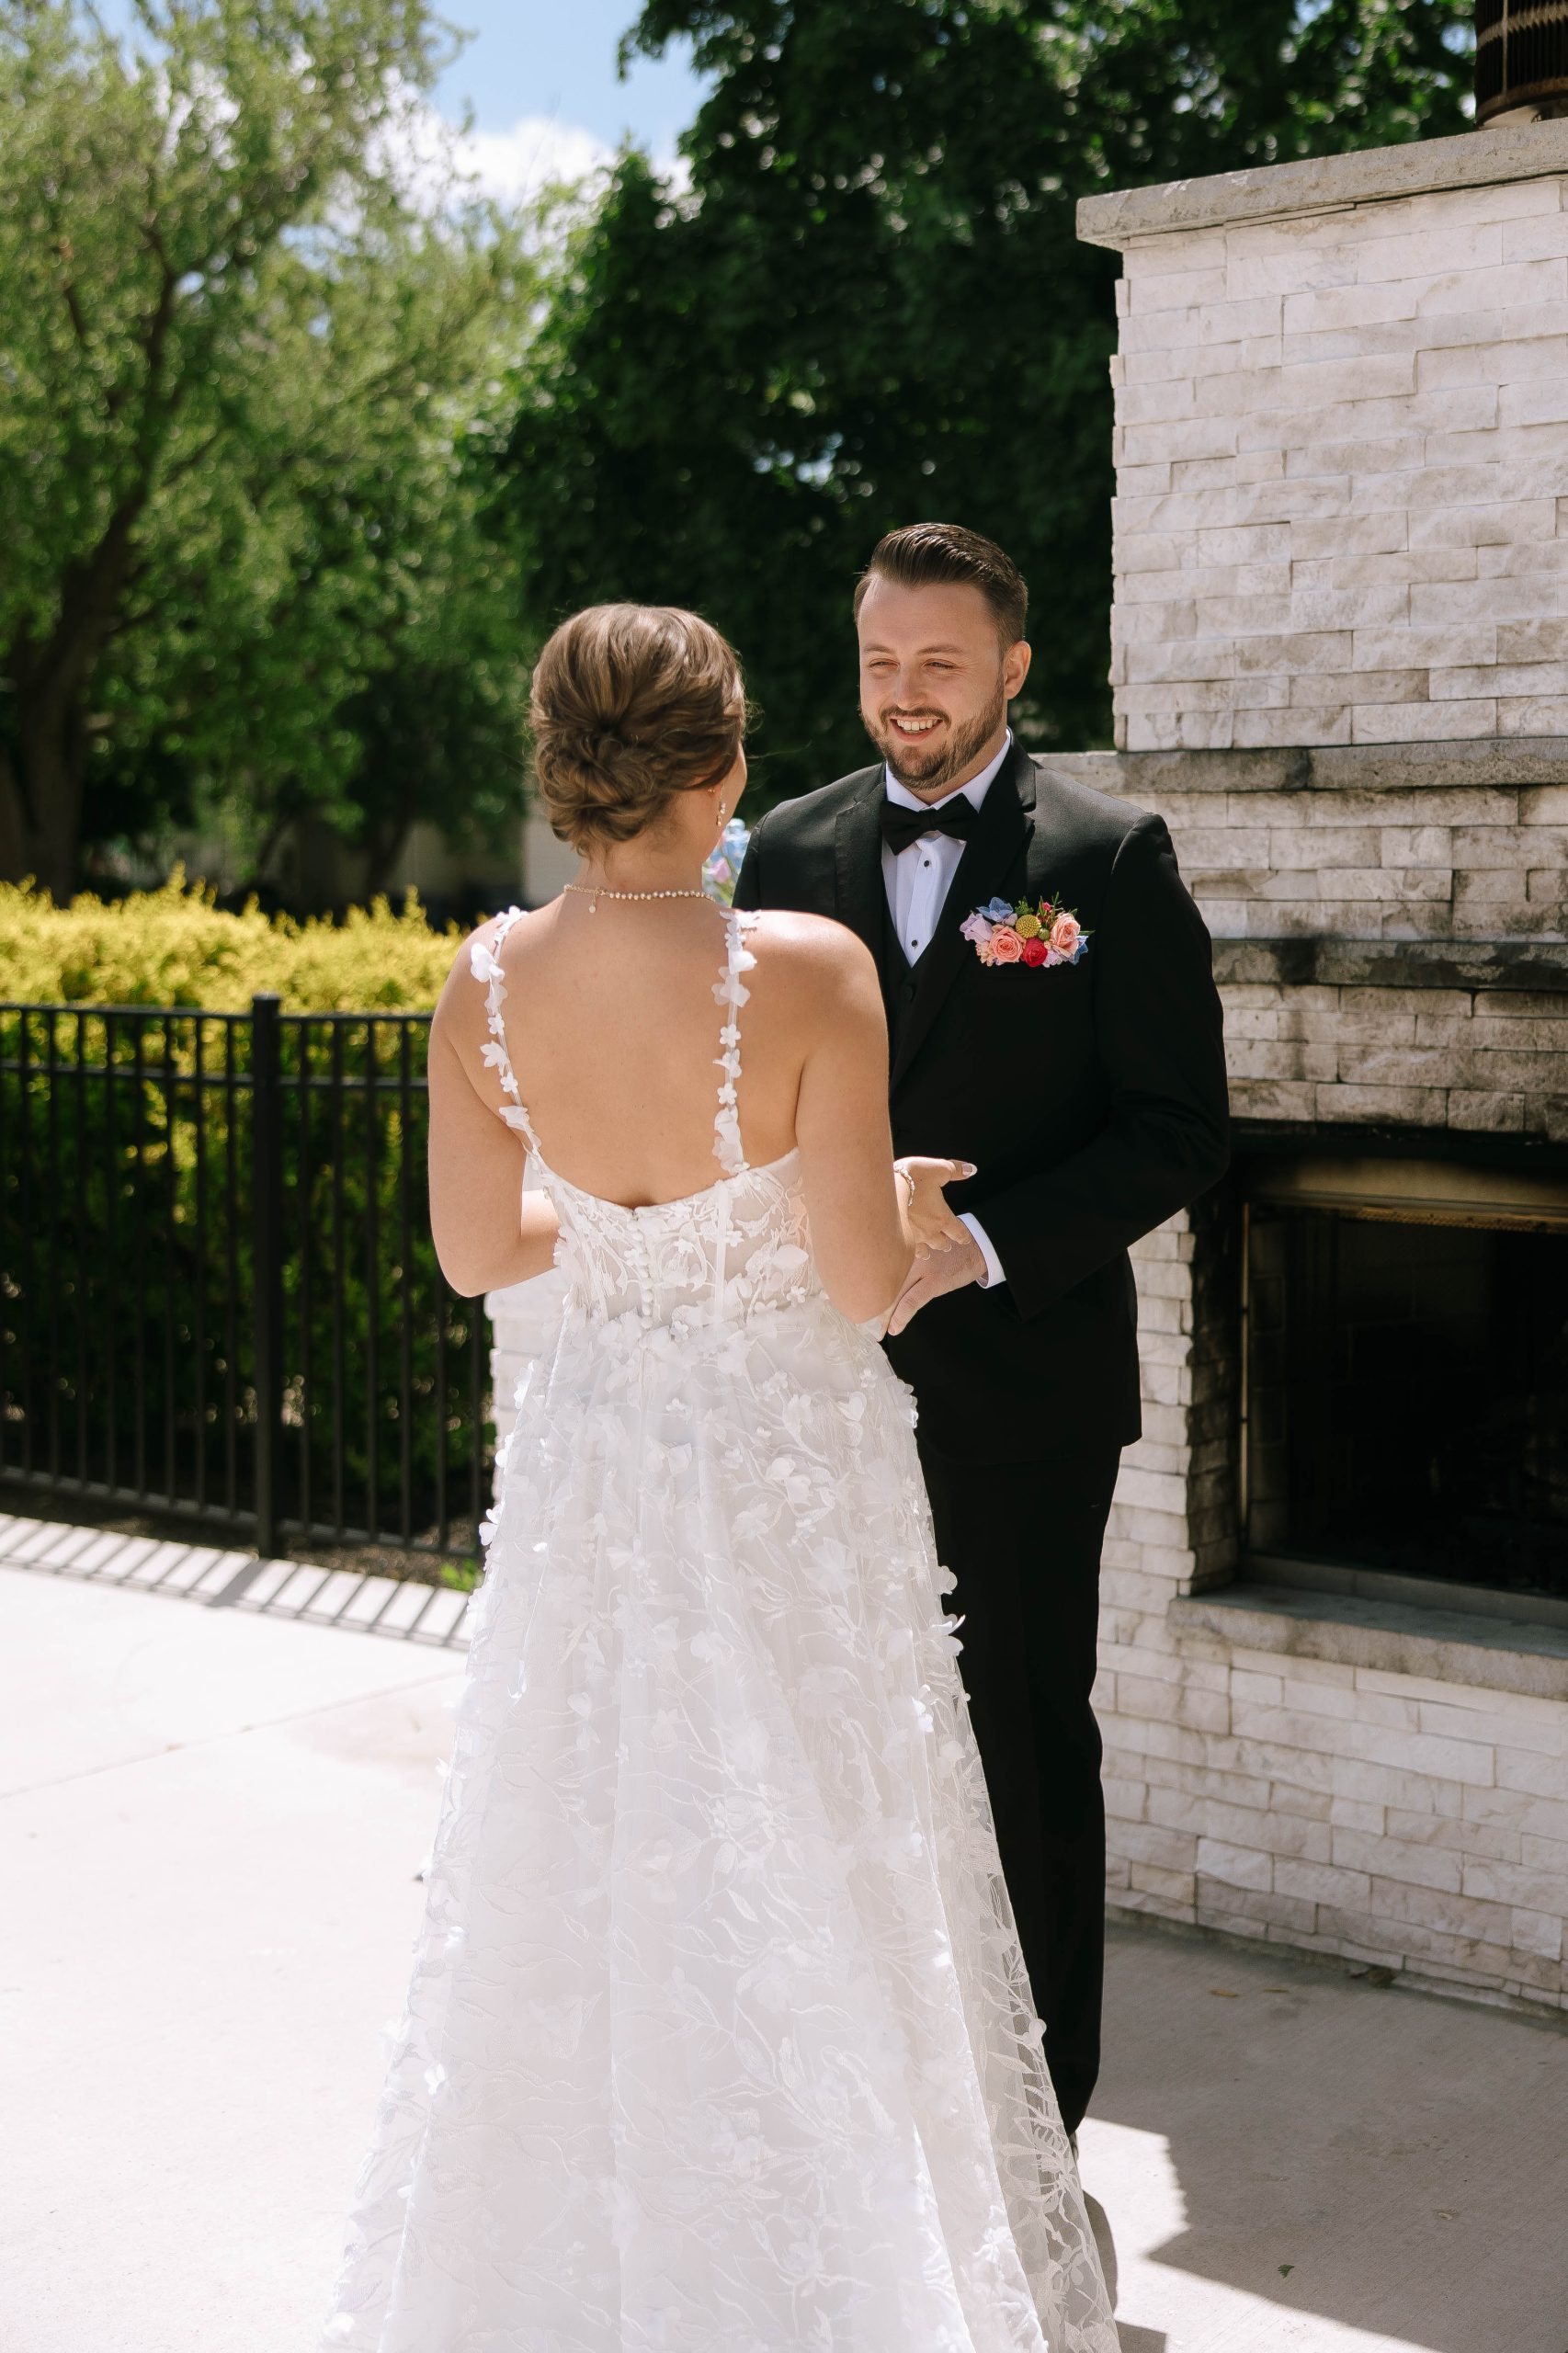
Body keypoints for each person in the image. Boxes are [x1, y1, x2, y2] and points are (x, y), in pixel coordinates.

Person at [318, 602, 1118, 2352]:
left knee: (586, 1845)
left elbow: (477, 1251)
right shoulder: (811, 968)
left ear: (558, 768)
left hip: (599, 1484)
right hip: (786, 1491)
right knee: (817, 1853)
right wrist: (863, 1205)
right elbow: (851, 1282)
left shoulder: (481, 982)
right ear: (728, 762)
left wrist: (630, 1240)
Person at [734, 523, 1230, 2139]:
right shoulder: (787, 856)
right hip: (822, 1389)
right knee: (841, 1745)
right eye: (879, 662)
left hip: (1020, 1395)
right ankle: (878, 2112)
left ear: (1013, 666)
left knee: (1017, 1744)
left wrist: (986, 1244)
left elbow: (1177, 1129)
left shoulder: (1106, 857)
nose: (904, 696)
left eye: (938, 664)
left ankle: (1034, 2125)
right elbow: (747, 1116)